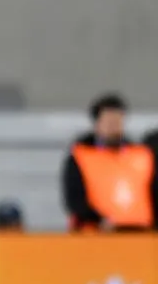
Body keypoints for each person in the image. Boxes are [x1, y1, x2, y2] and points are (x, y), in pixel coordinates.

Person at [62, 93, 157, 232]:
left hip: (141, 234)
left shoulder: (141, 156)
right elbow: (75, 199)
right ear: (97, 124)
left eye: (117, 121)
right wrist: (98, 220)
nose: (114, 127)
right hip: (97, 235)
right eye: (109, 122)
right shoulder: (81, 156)